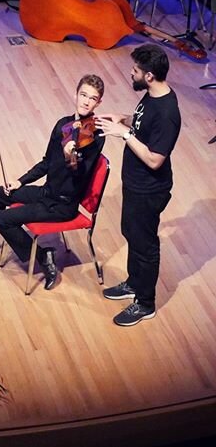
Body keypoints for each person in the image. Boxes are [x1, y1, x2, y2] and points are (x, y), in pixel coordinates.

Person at [0, 74, 106, 290]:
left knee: (1, 219)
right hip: (47, 191)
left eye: (93, 98)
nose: (86, 101)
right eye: (83, 95)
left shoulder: (96, 137)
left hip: (62, 205)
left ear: (98, 103)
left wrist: (70, 156)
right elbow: (46, 163)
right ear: (75, 94)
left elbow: (79, 176)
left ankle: (45, 257)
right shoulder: (63, 125)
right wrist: (20, 181)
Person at [95, 44, 180, 326]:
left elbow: (155, 159)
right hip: (135, 184)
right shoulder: (152, 96)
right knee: (130, 232)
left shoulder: (168, 113)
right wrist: (125, 119)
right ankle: (134, 283)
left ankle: (145, 303)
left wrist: (124, 133)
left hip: (149, 189)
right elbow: (144, 125)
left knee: (145, 245)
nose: (131, 73)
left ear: (150, 76)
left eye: (136, 71)